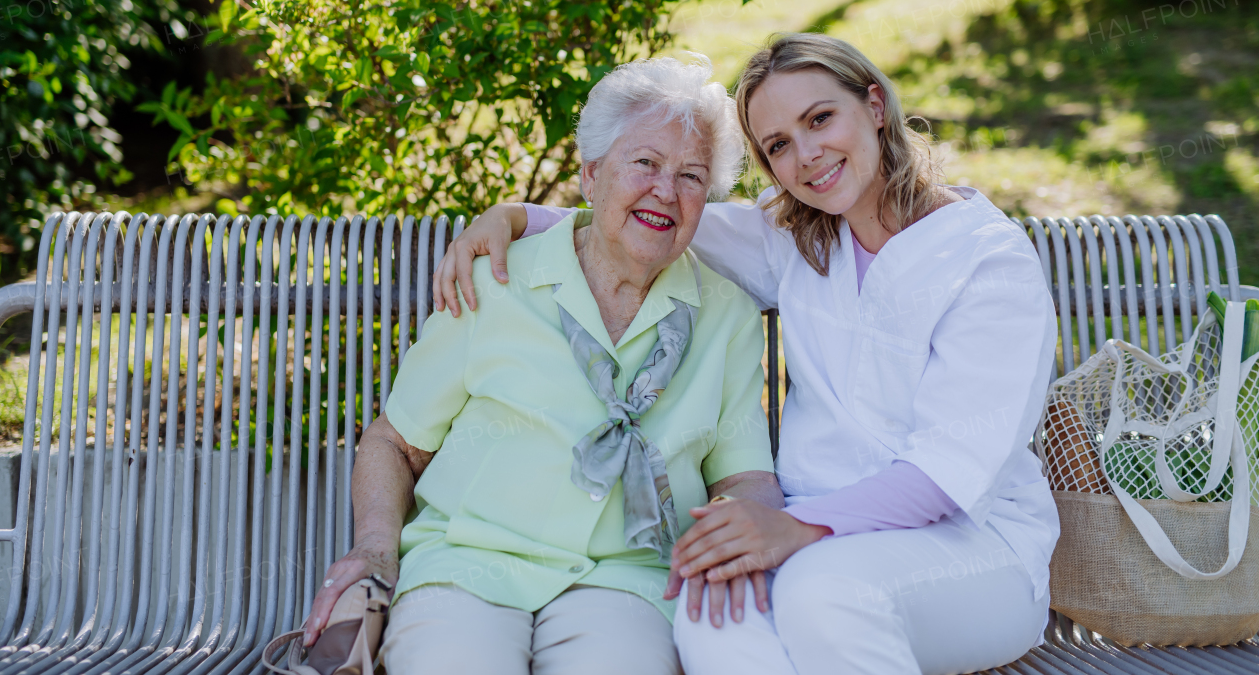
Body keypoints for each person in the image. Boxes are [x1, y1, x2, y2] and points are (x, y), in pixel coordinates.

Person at [433, 33, 1060, 675]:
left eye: (820, 118)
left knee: (831, 595)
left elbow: (948, 473)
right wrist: (512, 217)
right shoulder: (798, 239)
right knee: (710, 620)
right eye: (779, 145)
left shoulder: (986, 261)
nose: (808, 156)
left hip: (971, 550)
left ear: (874, 105)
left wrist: (793, 529)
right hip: (804, 543)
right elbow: (657, 216)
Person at [304, 54, 781, 675]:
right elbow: (396, 442)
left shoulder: (727, 316)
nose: (666, 190)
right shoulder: (493, 282)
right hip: (467, 564)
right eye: (645, 163)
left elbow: (744, 478)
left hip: (629, 579)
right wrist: (374, 548)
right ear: (591, 176)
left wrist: (738, 535)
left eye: (692, 176)